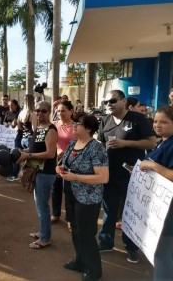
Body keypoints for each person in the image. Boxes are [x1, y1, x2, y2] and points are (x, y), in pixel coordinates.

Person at [97, 89, 157, 263]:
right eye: (107, 101)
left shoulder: (137, 119)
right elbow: (101, 143)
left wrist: (125, 143)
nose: (109, 104)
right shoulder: (106, 121)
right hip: (110, 174)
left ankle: (131, 247)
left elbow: (152, 142)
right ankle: (106, 241)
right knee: (109, 210)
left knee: (130, 212)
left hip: (133, 175)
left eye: (113, 100)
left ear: (123, 101)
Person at [57, 114, 109, 281]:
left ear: (88, 129)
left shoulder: (96, 148)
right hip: (71, 194)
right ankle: (80, 261)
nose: (74, 125)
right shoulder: (73, 143)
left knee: (86, 235)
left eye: (78, 123)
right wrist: (61, 169)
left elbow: (103, 177)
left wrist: (76, 177)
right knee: (75, 230)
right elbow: (65, 164)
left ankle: (95, 270)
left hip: (88, 199)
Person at [17, 101, 57, 250]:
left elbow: (50, 153)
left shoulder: (51, 130)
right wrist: (26, 151)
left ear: (49, 112)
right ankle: (43, 232)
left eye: (44, 111)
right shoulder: (39, 127)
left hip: (45, 173)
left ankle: (45, 238)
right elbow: (35, 147)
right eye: (37, 111)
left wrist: (29, 155)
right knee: (40, 205)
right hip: (37, 172)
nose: (40, 113)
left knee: (42, 206)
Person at [139, 105, 173, 279]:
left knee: (164, 255)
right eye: (155, 121)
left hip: (168, 213)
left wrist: (152, 165)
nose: (158, 125)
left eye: (164, 122)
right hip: (158, 209)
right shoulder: (163, 142)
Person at [51, 101, 76, 225]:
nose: (60, 113)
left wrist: (67, 152)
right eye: (58, 110)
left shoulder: (76, 127)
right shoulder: (53, 125)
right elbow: (49, 142)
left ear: (71, 112)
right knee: (56, 189)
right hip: (57, 162)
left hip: (72, 163)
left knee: (69, 191)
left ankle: (70, 219)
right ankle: (56, 214)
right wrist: (57, 149)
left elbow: (82, 145)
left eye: (63, 110)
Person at [4, 99, 21, 182]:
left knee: (15, 154)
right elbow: (4, 122)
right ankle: (11, 171)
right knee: (9, 154)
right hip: (9, 138)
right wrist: (7, 124)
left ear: (16, 105)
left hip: (18, 136)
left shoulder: (19, 113)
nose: (10, 107)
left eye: (12, 105)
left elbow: (16, 125)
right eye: (9, 106)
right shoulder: (8, 113)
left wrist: (12, 124)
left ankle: (14, 174)